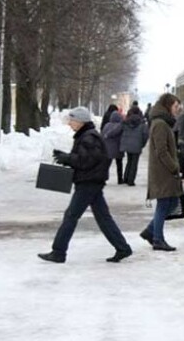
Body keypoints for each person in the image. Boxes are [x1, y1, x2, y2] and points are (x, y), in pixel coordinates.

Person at [38, 107, 132, 264]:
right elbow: (85, 158)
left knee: (71, 216)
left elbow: (87, 160)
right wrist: (66, 156)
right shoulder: (87, 135)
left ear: (80, 121)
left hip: (89, 183)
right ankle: (123, 248)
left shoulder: (89, 137)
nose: (70, 124)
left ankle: (58, 252)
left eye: (72, 120)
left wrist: (67, 158)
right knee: (103, 218)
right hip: (92, 182)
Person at [141, 93, 183, 251]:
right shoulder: (160, 124)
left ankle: (151, 231)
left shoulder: (163, 123)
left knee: (170, 202)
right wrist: (173, 167)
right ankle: (157, 238)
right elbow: (161, 151)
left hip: (164, 170)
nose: (177, 110)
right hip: (163, 171)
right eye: (175, 106)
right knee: (164, 203)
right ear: (167, 106)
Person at [120, 105, 149, 186]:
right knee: (134, 163)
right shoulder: (142, 122)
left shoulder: (126, 120)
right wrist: (142, 144)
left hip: (128, 145)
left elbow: (122, 130)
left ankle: (125, 177)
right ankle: (131, 180)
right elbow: (145, 134)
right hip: (137, 144)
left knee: (129, 161)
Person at [101, 110, 124, 185]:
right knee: (119, 164)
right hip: (117, 147)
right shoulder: (119, 125)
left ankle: (103, 178)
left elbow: (103, 134)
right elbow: (116, 132)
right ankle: (120, 179)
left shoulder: (107, 125)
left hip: (107, 148)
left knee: (106, 165)